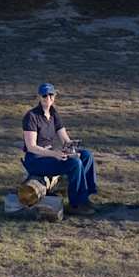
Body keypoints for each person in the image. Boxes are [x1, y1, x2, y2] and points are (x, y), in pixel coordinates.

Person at [19, 81, 97, 215]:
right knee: (74, 163)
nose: (48, 99)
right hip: (36, 160)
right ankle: (75, 204)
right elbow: (31, 147)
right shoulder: (31, 117)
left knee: (86, 155)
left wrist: (72, 149)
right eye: (45, 96)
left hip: (50, 155)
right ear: (39, 97)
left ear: (54, 97)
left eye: (51, 95)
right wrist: (54, 154)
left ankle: (86, 197)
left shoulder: (54, 113)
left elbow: (65, 139)